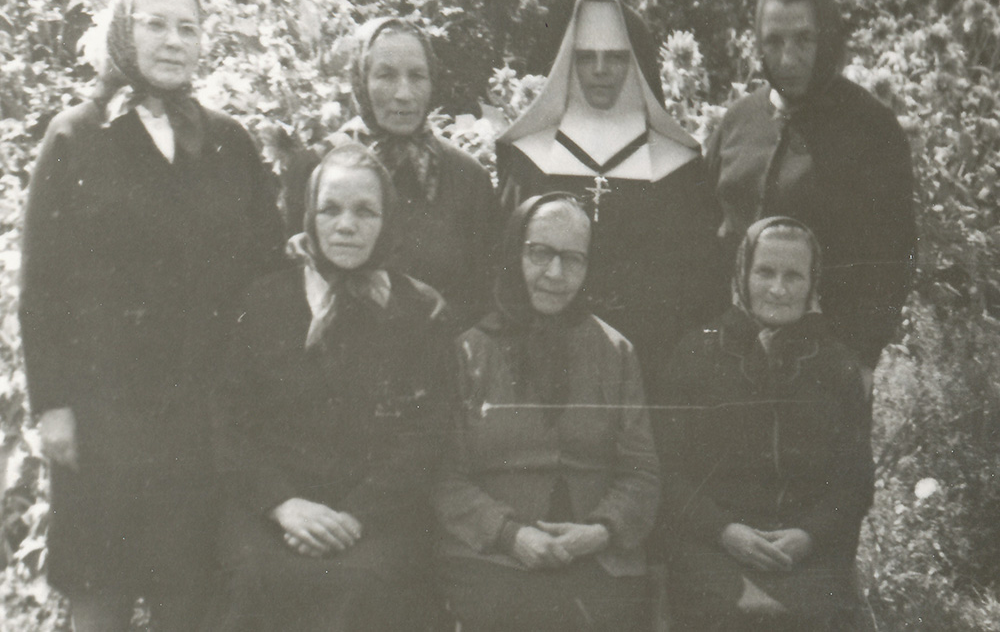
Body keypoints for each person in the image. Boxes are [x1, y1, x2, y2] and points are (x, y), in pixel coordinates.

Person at [18, 0, 284, 632]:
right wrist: (53, 405)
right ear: (120, 33)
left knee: (186, 589)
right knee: (99, 584)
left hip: (199, 410)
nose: (173, 41)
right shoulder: (76, 136)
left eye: (188, 28)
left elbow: (266, 267)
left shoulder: (228, 141)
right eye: (156, 24)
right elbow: (41, 285)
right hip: (102, 408)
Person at [210, 143, 453, 631]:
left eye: (366, 211)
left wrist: (356, 516)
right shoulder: (261, 303)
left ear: (388, 220)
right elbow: (228, 425)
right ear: (310, 215)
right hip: (274, 514)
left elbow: (427, 437)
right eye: (331, 209)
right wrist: (284, 505)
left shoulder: (419, 310)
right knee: (255, 577)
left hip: (376, 519)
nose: (346, 225)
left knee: (366, 585)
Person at [433, 193, 661, 632]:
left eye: (573, 259)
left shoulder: (615, 352)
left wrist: (601, 531)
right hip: (491, 553)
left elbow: (642, 472)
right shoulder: (467, 352)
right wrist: (510, 534)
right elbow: (445, 476)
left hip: (599, 556)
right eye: (540, 253)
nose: (555, 274)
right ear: (513, 251)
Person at [655, 217, 875, 631]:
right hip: (714, 545)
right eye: (765, 272)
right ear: (742, 274)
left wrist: (808, 535)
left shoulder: (835, 364)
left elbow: (855, 482)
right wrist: (724, 530)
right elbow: (667, 473)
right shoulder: (696, 353)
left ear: (813, 283)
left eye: (794, 275)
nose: (778, 288)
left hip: (807, 551)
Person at [496, 0, 727, 384]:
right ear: (569, 62)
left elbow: (699, 289)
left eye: (616, 57)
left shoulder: (679, 167)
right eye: (586, 57)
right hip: (541, 365)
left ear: (636, 63)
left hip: (651, 365)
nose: (600, 70)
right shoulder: (530, 158)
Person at [703, 0, 916, 378]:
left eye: (804, 40)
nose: (788, 58)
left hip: (826, 366)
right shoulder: (738, 122)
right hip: (732, 358)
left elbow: (895, 255)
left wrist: (861, 358)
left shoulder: (871, 128)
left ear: (828, 38)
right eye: (774, 41)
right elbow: (703, 228)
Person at [284, 17, 500, 329]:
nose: (404, 93)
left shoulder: (467, 177)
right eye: (386, 75)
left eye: (417, 76)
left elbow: (484, 293)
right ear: (361, 78)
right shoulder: (316, 167)